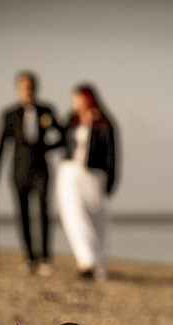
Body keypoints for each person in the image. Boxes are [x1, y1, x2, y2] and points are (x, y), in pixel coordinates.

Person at [0, 71, 62, 274]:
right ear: (18, 88)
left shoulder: (47, 110)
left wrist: (47, 147)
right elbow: (1, 145)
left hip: (42, 169)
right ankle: (29, 257)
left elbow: (62, 134)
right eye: (24, 86)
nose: (27, 89)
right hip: (19, 170)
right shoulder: (9, 114)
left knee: (44, 211)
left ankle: (45, 257)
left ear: (35, 87)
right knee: (23, 214)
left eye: (30, 85)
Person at [56, 84, 117, 280]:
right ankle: (86, 260)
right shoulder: (70, 121)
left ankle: (98, 263)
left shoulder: (105, 123)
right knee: (74, 215)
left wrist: (111, 181)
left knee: (97, 218)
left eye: (79, 99)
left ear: (88, 99)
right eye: (74, 99)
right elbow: (58, 140)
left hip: (94, 175)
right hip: (70, 173)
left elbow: (113, 155)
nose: (75, 103)